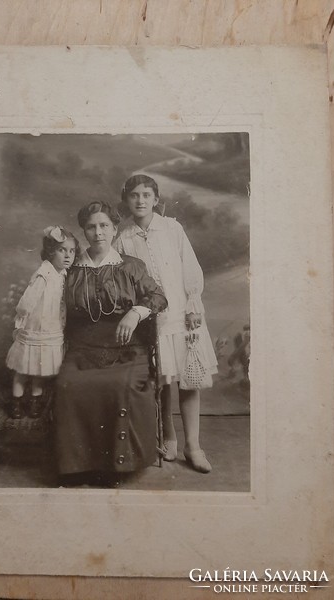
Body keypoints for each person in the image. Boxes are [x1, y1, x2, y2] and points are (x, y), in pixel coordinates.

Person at [54, 201, 167, 483]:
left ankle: (115, 465)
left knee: (120, 386)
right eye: (91, 227)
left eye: (104, 225)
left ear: (115, 229)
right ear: (84, 231)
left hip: (128, 348)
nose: (98, 232)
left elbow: (158, 297)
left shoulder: (130, 266)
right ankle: (78, 465)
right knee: (68, 386)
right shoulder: (72, 269)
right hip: (83, 348)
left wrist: (134, 313)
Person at [115, 174, 218, 473]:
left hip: (182, 314)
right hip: (151, 319)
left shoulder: (172, 228)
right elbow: (127, 282)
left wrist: (192, 303)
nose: (141, 200)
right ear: (127, 199)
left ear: (156, 199)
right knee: (162, 379)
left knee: (189, 377)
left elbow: (189, 265)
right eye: (134, 195)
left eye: (147, 194)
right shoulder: (124, 237)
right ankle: (169, 438)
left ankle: (194, 445)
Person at [6, 226, 78, 419]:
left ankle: (35, 403)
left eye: (71, 251)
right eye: (62, 250)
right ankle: (17, 404)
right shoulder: (44, 274)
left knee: (40, 369)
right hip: (35, 326)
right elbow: (26, 302)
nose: (67, 256)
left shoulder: (62, 275)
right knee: (23, 369)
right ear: (50, 251)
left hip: (51, 327)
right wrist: (21, 322)